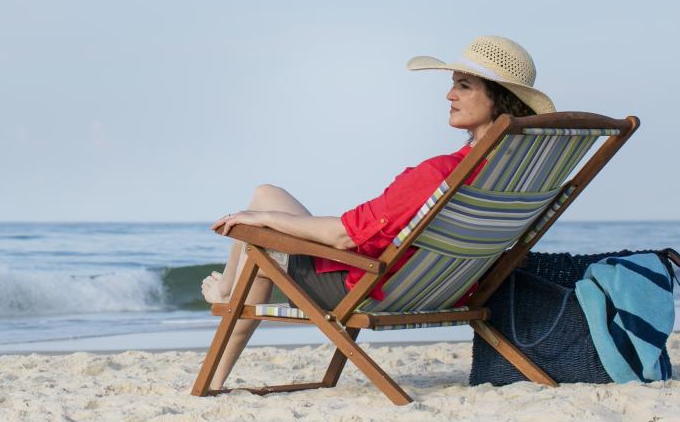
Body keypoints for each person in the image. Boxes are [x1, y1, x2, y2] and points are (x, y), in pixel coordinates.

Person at [200, 35, 557, 389]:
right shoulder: (515, 179)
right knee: (266, 194)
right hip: (441, 289)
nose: (450, 96)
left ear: (499, 100)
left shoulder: (440, 174)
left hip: (366, 285)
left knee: (254, 244)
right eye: (453, 86)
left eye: (464, 86)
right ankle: (227, 290)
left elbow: (342, 235)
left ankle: (214, 369)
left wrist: (262, 222)